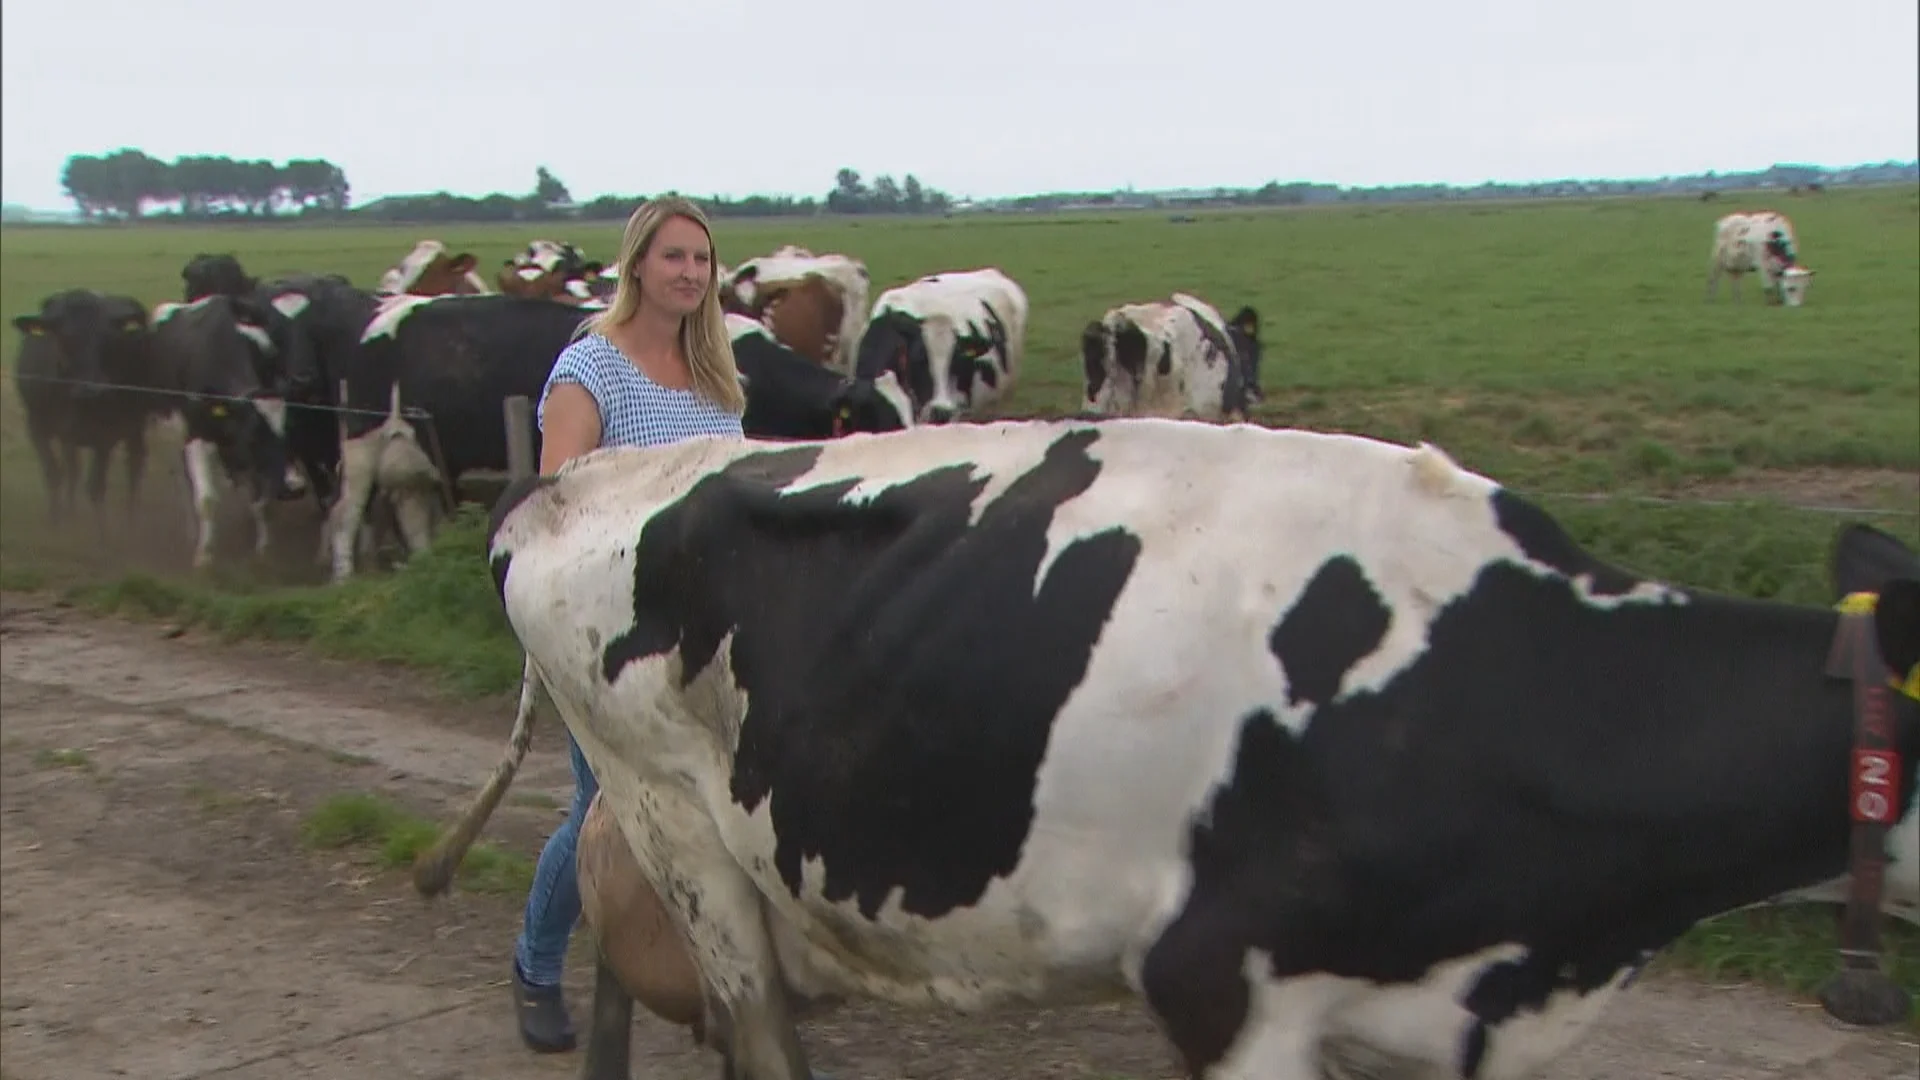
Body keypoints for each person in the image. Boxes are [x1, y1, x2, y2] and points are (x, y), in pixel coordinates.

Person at [510, 195, 747, 1053]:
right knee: (607, 808)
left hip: (699, 633)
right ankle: (535, 964)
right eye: (675, 257)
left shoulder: (718, 379)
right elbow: (558, 514)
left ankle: (725, 1008)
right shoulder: (592, 371)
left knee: (718, 815)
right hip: (602, 630)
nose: (690, 273)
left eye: (703, 260)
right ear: (638, 265)